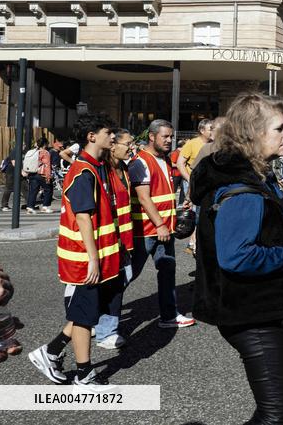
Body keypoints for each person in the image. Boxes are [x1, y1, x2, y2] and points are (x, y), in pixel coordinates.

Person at [190, 93, 283, 425]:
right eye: (279, 128)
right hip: (251, 314)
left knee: (272, 408)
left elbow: (271, 222)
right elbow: (237, 256)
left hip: (255, 309)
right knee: (276, 415)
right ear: (253, 134)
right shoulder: (242, 188)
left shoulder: (254, 174)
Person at [28, 114, 125, 385]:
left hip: (97, 255)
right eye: (108, 133)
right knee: (84, 317)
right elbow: (83, 217)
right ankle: (84, 374)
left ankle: (51, 352)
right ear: (92, 136)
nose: (113, 137)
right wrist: (93, 261)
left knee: (84, 312)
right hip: (84, 258)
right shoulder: (84, 170)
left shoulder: (95, 166)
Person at [129, 119, 196, 329]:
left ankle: (168, 315)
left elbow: (162, 194)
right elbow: (144, 198)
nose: (169, 140)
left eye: (171, 136)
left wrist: (180, 205)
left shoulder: (166, 160)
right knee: (128, 275)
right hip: (147, 231)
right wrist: (160, 224)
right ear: (152, 136)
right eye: (165, 136)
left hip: (164, 229)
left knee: (167, 272)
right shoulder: (140, 161)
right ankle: (98, 319)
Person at [93, 130, 137, 349]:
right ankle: (105, 331)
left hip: (122, 238)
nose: (131, 147)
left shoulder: (124, 168)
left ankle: (97, 321)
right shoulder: (103, 170)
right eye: (128, 143)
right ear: (113, 146)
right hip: (106, 238)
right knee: (112, 284)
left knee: (121, 280)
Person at [177, 118, 213, 201]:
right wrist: (189, 179)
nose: (213, 131)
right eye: (210, 129)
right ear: (202, 131)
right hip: (193, 182)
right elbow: (180, 163)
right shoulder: (191, 143)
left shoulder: (214, 144)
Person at [24, 136, 54, 214]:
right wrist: (48, 176)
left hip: (32, 173)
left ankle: (30, 207)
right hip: (41, 174)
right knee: (48, 189)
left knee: (33, 191)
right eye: (47, 144)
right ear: (44, 144)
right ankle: (45, 206)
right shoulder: (45, 152)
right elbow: (47, 165)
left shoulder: (33, 151)